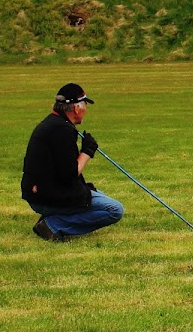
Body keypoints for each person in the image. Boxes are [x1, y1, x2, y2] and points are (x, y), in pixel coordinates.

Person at [21, 83, 124, 241]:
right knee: (114, 209)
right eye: (85, 105)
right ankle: (53, 225)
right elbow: (69, 175)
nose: (85, 110)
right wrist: (87, 151)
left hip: (38, 194)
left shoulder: (53, 124)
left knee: (98, 196)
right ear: (77, 108)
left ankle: (53, 219)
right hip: (46, 198)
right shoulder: (61, 131)